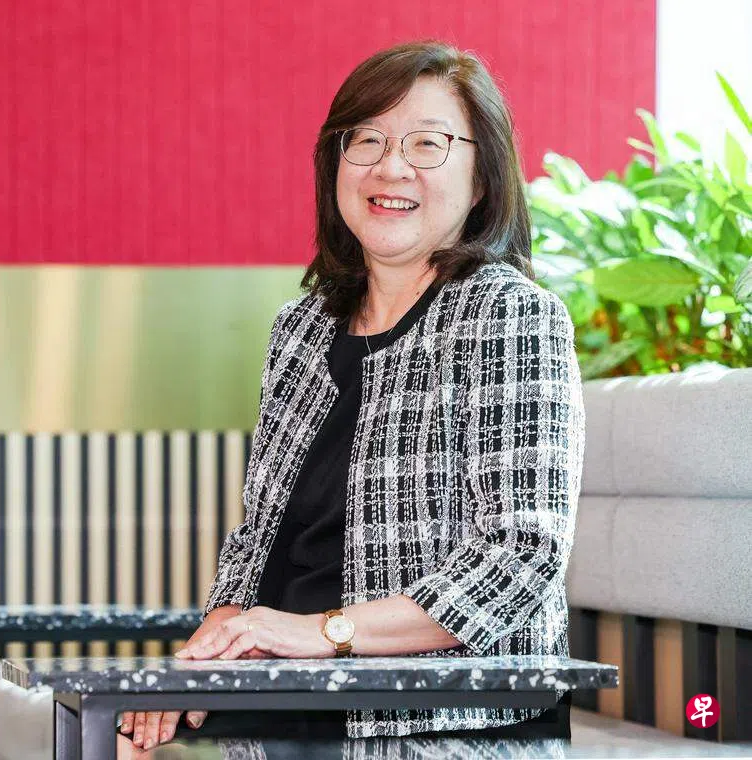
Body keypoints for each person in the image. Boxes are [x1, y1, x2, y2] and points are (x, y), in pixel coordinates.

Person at [119, 39, 585, 752]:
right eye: (365, 140)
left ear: (482, 180)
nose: (390, 167)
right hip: (289, 688)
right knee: (118, 733)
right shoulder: (302, 329)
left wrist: (323, 632)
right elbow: (259, 537)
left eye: (427, 143)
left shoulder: (510, 315)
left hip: (437, 710)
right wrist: (213, 646)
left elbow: (522, 555)